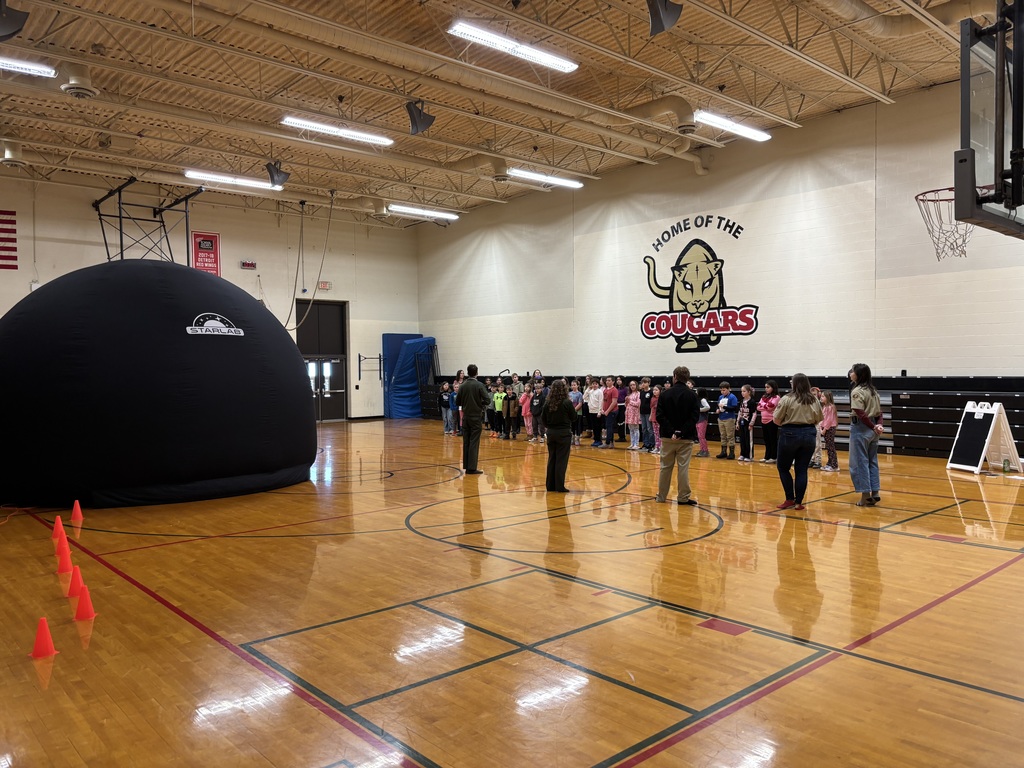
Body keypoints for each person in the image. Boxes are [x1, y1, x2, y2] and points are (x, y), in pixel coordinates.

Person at [773, 373, 823, 510]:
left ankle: (789, 498)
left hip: (789, 433)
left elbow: (776, 420)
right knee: (802, 469)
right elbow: (819, 418)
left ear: (794, 384)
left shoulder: (787, 399)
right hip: (809, 434)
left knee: (783, 467)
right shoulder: (813, 399)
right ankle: (799, 502)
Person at [654, 366, 700, 505]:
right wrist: (681, 432)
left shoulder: (664, 394)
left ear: (674, 377)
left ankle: (661, 496)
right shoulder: (692, 395)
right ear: (687, 378)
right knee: (683, 468)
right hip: (685, 438)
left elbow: (660, 416)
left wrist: (672, 431)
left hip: (668, 438)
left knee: (665, 468)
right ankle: (683, 497)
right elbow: (694, 417)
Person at [849, 363, 884, 506]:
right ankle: (875, 491)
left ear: (858, 375)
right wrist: (878, 425)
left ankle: (865, 495)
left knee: (859, 462)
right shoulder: (873, 391)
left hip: (862, 428)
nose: (850, 373)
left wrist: (873, 426)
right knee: (872, 461)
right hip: (874, 430)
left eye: (853, 371)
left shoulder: (857, 391)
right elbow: (880, 412)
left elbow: (860, 413)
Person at [540, 379, 578, 492]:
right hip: (563, 434)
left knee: (552, 458)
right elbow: (574, 417)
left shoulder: (547, 403)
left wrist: (550, 427)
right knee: (561, 460)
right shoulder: (567, 402)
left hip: (551, 433)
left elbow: (543, 420)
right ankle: (559, 486)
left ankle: (550, 486)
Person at [458, 364, 490, 475]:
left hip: (465, 417)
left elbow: (458, 402)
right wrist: (478, 403)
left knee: (466, 441)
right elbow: (487, 400)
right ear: (477, 373)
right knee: (474, 442)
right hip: (476, 417)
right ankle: (472, 468)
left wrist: (467, 402)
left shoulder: (462, 386)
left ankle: (467, 466)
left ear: (467, 372)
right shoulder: (479, 385)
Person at [757, 380, 781, 464]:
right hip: (764, 420)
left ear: (773, 387)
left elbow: (771, 406)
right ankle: (767, 456)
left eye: (768, 387)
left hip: (772, 421)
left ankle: (774, 456)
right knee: (766, 439)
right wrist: (765, 405)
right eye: (765, 387)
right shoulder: (764, 396)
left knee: (772, 439)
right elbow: (758, 407)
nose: (766, 389)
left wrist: (763, 405)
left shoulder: (777, 397)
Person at [715, 381, 739, 459]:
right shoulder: (720, 397)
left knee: (730, 436)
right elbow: (718, 405)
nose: (722, 392)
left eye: (724, 390)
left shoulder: (732, 397)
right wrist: (717, 409)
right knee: (723, 435)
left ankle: (732, 453)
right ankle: (723, 451)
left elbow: (734, 408)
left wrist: (724, 407)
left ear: (729, 389)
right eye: (721, 390)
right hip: (721, 418)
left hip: (729, 418)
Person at [819, 390, 839, 471]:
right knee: (828, 447)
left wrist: (824, 429)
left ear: (828, 397)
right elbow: (823, 418)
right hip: (825, 428)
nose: (821, 397)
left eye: (823, 396)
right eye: (821, 396)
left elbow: (829, 420)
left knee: (830, 447)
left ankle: (834, 465)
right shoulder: (825, 407)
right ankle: (830, 463)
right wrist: (820, 426)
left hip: (829, 428)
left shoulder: (830, 407)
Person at [737, 384, 756, 462]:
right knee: (742, 439)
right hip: (742, 422)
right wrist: (737, 422)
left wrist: (751, 424)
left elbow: (754, 414)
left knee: (748, 439)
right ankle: (742, 454)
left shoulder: (752, 402)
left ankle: (749, 455)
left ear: (749, 392)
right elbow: (740, 412)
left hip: (748, 423)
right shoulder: (741, 401)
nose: (742, 393)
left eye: (744, 391)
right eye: (741, 391)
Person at [600, 376, 619, 448]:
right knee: (608, 426)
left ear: (613, 381)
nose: (607, 382)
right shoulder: (605, 390)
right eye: (607, 380)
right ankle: (611, 443)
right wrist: (602, 409)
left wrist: (607, 411)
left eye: (609, 380)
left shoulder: (614, 390)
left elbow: (614, 402)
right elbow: (603, 400)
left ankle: (608, 443)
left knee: (609, 426)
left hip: (612, 411)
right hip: (606, 411)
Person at [586, 378, 604, 447]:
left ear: (598, 384)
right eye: (593, 384)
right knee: (594, 427)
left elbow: (601, 402)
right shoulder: (590, 391)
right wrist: (588, 389)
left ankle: (599, 440)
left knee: (598, 426)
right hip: (591, 411)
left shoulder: (599, 391)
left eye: (596, 384)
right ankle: (595, 439)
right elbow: (584, 397)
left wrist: (599, 411)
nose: (594, 385)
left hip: (597, 411)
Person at [639, 377, 655, 451]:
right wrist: (639, 412)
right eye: (642, 383)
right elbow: (640, 403)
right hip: (642, 412)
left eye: (645, 382)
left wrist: (651, 414)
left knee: (649, 429)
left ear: (649, 383)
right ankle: (646, 443)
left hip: (648, 413)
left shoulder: (651, 392)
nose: (643, 384)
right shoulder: (641, 392)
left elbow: (652, 404)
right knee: (644, 429)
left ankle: (651, 444)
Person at [625, 380, 642, 450]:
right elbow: (626, 405)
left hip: (635, 414)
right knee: (631, 429)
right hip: (629, 413)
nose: (632, 386)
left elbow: (638, 404)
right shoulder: (629, 394)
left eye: (633, 385)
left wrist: (630, 401)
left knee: (636, 429)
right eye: (631, 385)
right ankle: (632, 443)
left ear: (636, 385)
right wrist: (626, 401)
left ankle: (636, 444)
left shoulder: (638, 394)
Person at [695, 387, 711, 457]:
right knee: (699, 436)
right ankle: (702, 449)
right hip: (698, 420)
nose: (696, 393)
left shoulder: (703, 400)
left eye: (697, 391)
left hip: (702, 419)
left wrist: (699, 410)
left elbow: (707, 407)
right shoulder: (698, 400)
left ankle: (705, 450)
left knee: (701, 436)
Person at [568, 379, 584, 446]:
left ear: (577, 385)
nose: (573, 386)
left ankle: (577, 439)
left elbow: (580, 403)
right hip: (571, 413)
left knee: (577, 426)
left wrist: (574, 410)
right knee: (572, 426)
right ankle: (572, 438)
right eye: (572, 385)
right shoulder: (569, 394)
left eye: (574, 385)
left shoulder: (580, 394)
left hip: (578, 413)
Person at [650, 384, 662, 455]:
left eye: (656, 390)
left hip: (659, 418)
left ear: (660, 391)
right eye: (654, 390)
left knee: (660, 433)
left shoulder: (662, 398)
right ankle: (656, 447)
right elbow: (652, 408)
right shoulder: (652, 399)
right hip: (654, 417)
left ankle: (661, 447)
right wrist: (651, 416)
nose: (654, 391)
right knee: (655, 433)